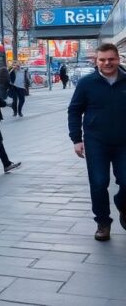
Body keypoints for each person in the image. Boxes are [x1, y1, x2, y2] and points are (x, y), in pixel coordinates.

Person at [68, 43, 126, 241]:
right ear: (96, 61)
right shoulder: (87, 83)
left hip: (124, 143)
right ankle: (103, 223)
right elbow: (74, 111)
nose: (107, 63)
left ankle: (122, 205)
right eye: (102, 59)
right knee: (99, 183)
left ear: (118, 59)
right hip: (96, 143)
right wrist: (76, 139)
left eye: (111, 59)